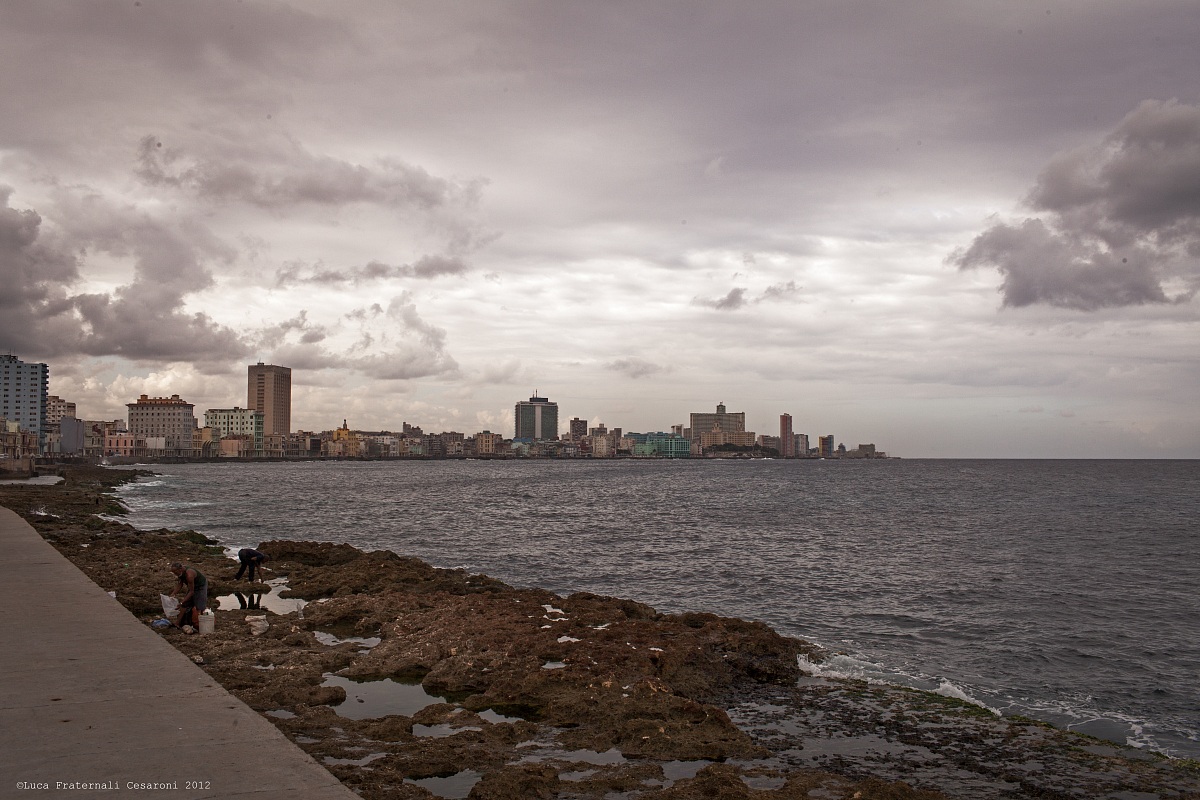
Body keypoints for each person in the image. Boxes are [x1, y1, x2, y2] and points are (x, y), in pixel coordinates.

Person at [169, 562, 207, 633]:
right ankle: (177, 623)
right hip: (192, 587)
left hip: (200, 586)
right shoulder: (180, 573)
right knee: (184, 605)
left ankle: (200, 625)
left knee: (200, 606)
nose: (174, 574)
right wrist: (173, 593)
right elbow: (180, 584)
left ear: (180, 569)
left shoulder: (189, 575)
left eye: (175, 572)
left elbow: (192, 592)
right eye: (173, 572)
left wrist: (181, 602)